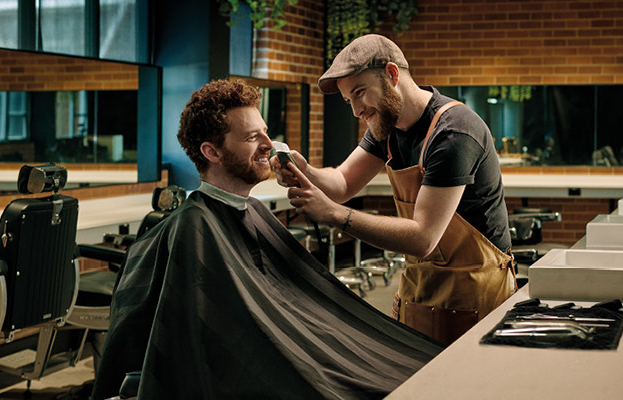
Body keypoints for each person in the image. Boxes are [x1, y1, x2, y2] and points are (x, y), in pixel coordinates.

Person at [93, 80, 441, 400]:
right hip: (274, 370)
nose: (268, 146)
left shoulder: (251, 211)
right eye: (251, 138)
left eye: (266, 133)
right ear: (212, 152)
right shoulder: (194, 228)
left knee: (417, 363)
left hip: (304, 350)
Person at [275, 34, 516, 345]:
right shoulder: (386, 127)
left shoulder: (453, 131)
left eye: (360, 93)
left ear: (391, 74)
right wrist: (305, 171)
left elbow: (423, 237)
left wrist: (334, 214)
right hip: (421, 284)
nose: (356, 110)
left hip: (474, 290)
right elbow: (343, 183)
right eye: (349, 100)